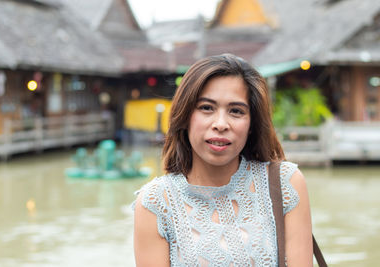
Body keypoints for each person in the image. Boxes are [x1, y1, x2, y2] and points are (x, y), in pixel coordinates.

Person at [133, 54, 313, 267]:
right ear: (185, 115)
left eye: (236, 111)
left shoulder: (285, 183)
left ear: (252, 123)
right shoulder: (155, 202)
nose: (220, 124)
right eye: (206, 108)